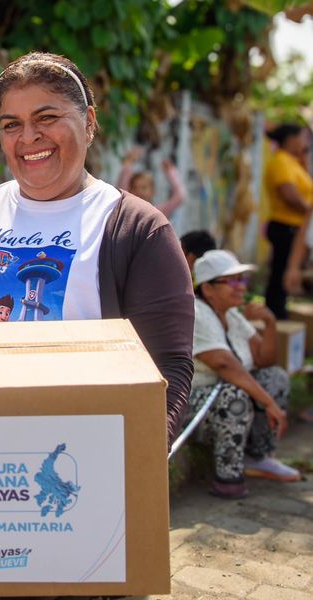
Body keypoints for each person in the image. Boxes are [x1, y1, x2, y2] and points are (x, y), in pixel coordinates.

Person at [0, 51, 194, 450]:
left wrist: (137, 464)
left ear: (89, 122)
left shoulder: (135, 228)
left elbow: (167, 367)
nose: (29, 137)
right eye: (11, 124)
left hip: (75, 458)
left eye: (47, 118)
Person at [189, 249, 300, 499]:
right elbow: (224, 364)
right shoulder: (197, 313)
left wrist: (270, 324)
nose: (241, 286)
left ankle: (257, 456)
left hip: (223, 395)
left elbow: (264, 360)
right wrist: (268, 403)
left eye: (242, 279)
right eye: (232, 281)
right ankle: (227, 478)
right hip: (194, 406)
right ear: (208, 288)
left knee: (275, 377)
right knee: (234, 396)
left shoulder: (232, 315)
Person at [263, 123, 313, 319]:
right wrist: (309, 211)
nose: (305, 142)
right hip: (285, 226)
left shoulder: (293, 162)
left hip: (295, 226)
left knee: (282, 272)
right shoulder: (281, 161)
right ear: (291, 139)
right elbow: (289, 194)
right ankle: (275, 314)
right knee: (280, 274)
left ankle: (278, 312)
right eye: (302, 137)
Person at [117, 146, 187, 218]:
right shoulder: (125, 208)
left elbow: (180, 197)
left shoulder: (156, 212)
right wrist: (128, 163)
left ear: (153, 191)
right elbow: (121, 191)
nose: (139, 191)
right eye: (134, 188)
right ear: (129, 191)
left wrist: (171, 172)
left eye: (144, 188)